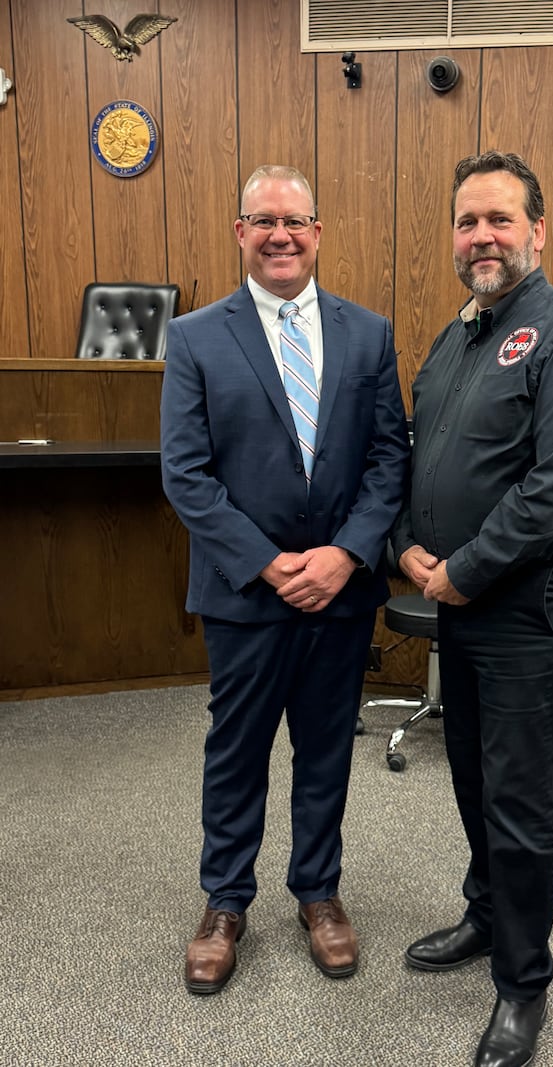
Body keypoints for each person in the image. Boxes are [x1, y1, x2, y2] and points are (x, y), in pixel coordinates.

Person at [392, 150, 553, 1067]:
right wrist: (405, 543)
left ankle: (523, 986)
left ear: (537, 229)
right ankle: (487, 918)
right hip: (457, 591)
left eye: (499, 219)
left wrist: (461, 569)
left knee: (520, 797)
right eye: (466, 221)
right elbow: (420, 455)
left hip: (528, 603)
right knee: (469, 777)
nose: (481, 236)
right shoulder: (458, 336)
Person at [160, 164, 409, 994]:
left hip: (341, 591)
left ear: (318, 230)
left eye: (294, 221)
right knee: (236, 751)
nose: (280, 235)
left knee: (326, 749)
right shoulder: (196, 337)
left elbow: (388, 460)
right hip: (243, 593)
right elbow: (186, 474)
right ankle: (224, 902)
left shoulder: (369, 335)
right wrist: (269, 563)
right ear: (239, 232)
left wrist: (344, 555)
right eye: (262, 221)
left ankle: (320, 892)